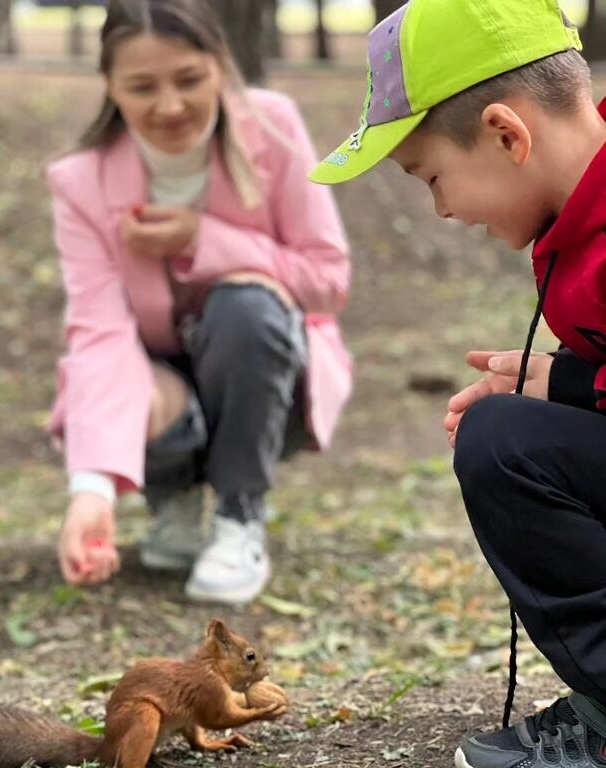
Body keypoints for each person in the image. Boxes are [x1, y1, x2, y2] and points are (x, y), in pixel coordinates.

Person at [310, 0, 606, 766]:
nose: (440, 209)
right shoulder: (578, 228)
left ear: (508, 135)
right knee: (513, 432)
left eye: (433, 176)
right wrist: (570, 385)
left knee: (501, 442)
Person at [46, 0, 352, 606]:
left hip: (266, 376)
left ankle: (240, 516)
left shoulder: (272, 127)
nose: (169, 106)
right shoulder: (81, 181)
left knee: (247, 307)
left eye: (188, 79)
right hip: (157, 387)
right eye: (141, 86)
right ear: (109, 85)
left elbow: (328, 280)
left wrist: (200, 238)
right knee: (123, 367)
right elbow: (100, 334)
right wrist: (92, 490)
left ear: (221, 66)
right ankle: (173, 498)